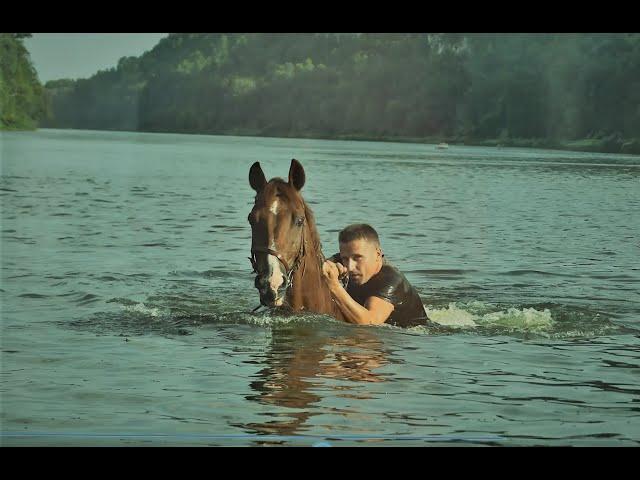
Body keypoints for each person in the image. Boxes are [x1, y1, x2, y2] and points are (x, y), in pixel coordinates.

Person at [321, 224, 429, 328]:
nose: (350, 267)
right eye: (345, 258)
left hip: (414, 335)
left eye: (357, 258)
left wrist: (334, 286)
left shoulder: (391, 279)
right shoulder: (343, 261)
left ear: (378, 254)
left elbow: (369, 322)